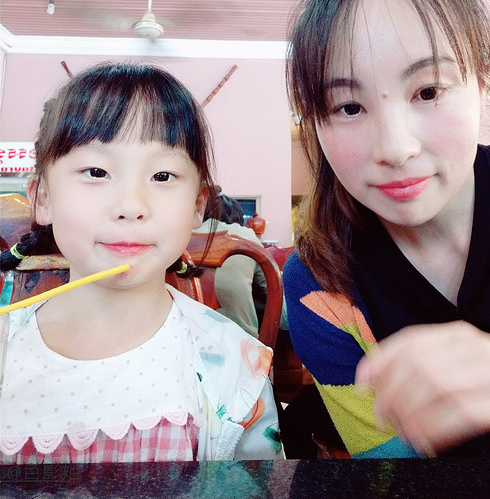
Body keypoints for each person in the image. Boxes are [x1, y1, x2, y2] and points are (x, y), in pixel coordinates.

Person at [284, 0, 490, 458]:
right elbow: (388, 472)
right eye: (349, 107)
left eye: (428, 91)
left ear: (481, 87)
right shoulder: (320, 285)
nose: (395, 148)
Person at [0, 63, 281, 464]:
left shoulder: (235, 366)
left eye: (162, 176)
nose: (131, 206)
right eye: (96, 171)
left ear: (197, 204)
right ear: (42, 198)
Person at [193, 187, 268, 338]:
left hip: (186, 339)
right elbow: (270, 290)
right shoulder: (244, 236)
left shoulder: (180, 238)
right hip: (241, 342)